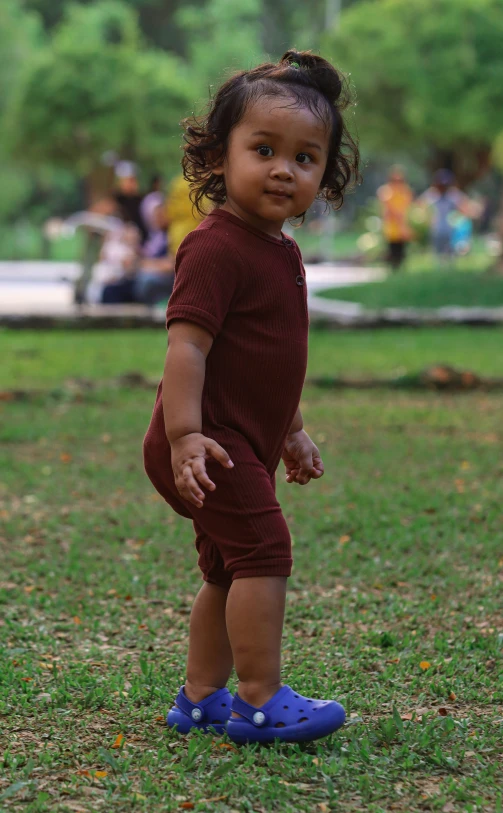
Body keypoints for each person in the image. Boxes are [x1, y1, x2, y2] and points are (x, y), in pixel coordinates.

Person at [143, 50, 360, 744]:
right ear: (215, 158)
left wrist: (290, 429)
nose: (282, 169)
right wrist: (183, 437)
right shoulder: (215, 247)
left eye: (304, 158)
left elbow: (267, 359)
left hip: (241, 438)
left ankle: (201, 698)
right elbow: (188, 347)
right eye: (262, 149)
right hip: (207, 440)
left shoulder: (280, 252)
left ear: (324, 175)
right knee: (264, 549)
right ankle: (259, 698)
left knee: (226, 564)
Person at [418, 169, 474, 258]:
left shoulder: (453, 195)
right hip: (436, 229)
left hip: (450, 229)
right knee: (438, 255)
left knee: (450, 254)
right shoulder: (432, 194)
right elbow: (420, 205)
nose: (443, 188)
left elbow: (465, 206)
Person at [133, 191, 175, 305]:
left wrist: (149, 265)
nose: (158, 218)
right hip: (156, 276)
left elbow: (173, 264)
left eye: (161, 214)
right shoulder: (154, 238)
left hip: (171, 278)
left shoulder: (173, 234)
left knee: (146, 281)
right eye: (155, 215)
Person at [377, 166, 414, 270]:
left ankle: (399, 270)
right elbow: (389, 208)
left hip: (402, 226)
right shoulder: (386, 191)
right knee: (392, 250)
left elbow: (407, 207)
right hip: (392, 227)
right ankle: (392, 268)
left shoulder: (405, 191)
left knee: (402, 251)